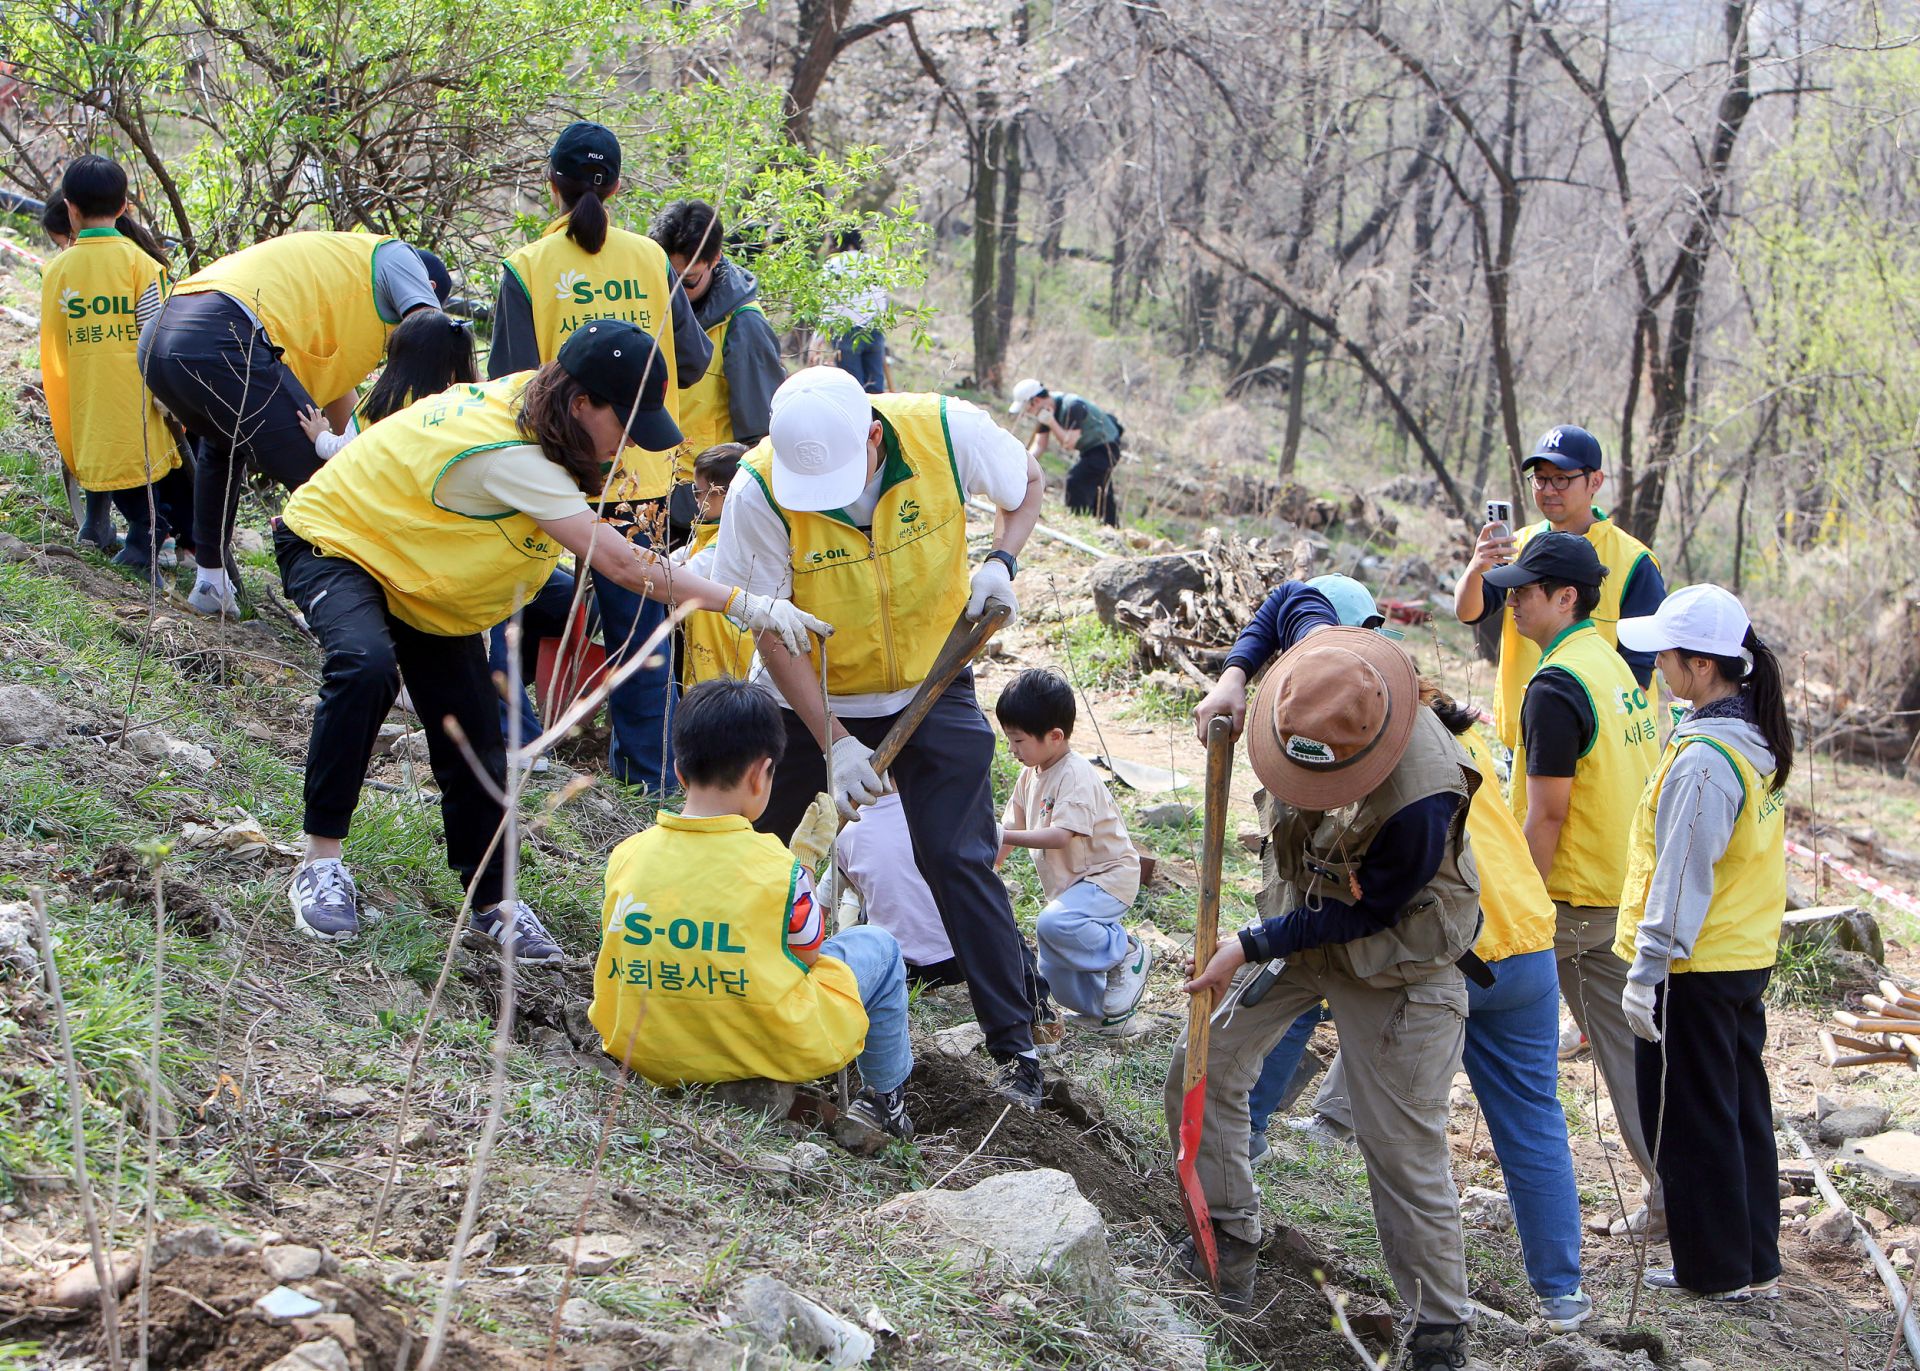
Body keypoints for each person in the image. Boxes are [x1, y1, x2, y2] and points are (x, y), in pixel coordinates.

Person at [273, 319, 827, 953]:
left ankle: (493, 902)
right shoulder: (514, 454)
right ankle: (320, 864)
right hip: (336, 541)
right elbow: (621, 564)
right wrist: (742, 603)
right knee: (365, 665)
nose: (626, 443)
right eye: (623, 421)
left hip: (419, 574)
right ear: (580, 402)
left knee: (478, 733)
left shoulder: (536, 402)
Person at [711, 365, 1048, 1108]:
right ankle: (724, 1002)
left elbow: (1026, 486)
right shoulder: (758, 487)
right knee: (752, 844)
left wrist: (1001, 560)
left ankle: (1017, 1044)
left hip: (932, 679)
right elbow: (770, 628)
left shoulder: (946, 431)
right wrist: (831, 738)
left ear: (873, 434)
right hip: (809, 691)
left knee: (955, 852)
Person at [1170, 628, 1480, 1370]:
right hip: (1305, 921)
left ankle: (1438, 1330)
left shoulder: (1422, 798)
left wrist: (1249, 942)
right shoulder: (1311, 678)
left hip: (1395, 954)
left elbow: (1370, 913)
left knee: (1399, 1148)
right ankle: (1230, 1236)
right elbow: (1279, 608)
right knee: (1204, 1058)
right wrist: (1235, 676)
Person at [487, 121, 715, 795]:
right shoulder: (651, 259)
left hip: (549, 472)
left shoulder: (527, 267)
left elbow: (509, 381)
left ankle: (521, 747)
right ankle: (652, 784)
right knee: (643, 639)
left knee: (499, 602)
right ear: (616, 186)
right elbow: (695, 360)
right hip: (640, 469)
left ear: (549, 183)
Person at [590, 676, 914, 1138]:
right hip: (758, 1045)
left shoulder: (627, 854)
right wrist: (802, 865)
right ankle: (885, 1102)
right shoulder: (779, 868)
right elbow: (808, 956)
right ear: (762, 774)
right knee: (877, 947)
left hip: (646, 1048)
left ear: (679, 771)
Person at [1614, 586, 1793, 1302]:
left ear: (1701, 664)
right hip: (1740, 956)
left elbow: (1681, 874)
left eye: (1667, 651)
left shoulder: (1705, 760)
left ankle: (1715, 1271)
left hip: (1693, 965)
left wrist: (1646, 968)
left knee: (1692, 1119)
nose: (1656, 662)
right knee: (1740, 1106)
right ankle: (1755, 1261)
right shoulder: (1749, 734)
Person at [1482, 531, 1663, 1238]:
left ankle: (1343, 1120)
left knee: (1449, 984)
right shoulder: (1610, 666)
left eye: (1525, 591)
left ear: (1565, 597)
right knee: (1633, 1052)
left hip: (1574, 903)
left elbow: (1547, 812)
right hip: (1616, 888)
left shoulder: (1556, 687)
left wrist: (1517, 903)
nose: (1513, 602)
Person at [140, 230, 450, 615]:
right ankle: (338, 611)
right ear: (429, 284)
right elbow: (431, 332)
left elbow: (344, 427)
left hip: (161, 336)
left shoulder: (337, 305)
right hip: (222, 332)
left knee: (224, 446)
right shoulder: (396, 257)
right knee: (326, 488)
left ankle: (210, 583)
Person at [1454, 424, 1666, 752]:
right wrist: (1477, 567)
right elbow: (1469, 612)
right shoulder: (1518, 545)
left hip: (1599, 744)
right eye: (1540, 478)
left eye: (1562, 478)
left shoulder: (1633, 560)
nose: (1549, 489)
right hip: (1525, 737)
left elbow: (1638, 671)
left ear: (1595, 481)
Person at [38, 155, 194, 579]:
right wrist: (169, 400)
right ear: (125, 206)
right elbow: (157, 338)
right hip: (136, 400)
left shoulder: (57, 271)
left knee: (104, 466)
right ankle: (144, 540)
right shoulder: (144, 265)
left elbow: (53, 343)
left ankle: (142, 541)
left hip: (87, 395)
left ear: (69, 208)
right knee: (140, 472)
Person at [994, 669, 1148, 1033]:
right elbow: (1011, 829)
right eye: (1008, 740)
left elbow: (1061, 835)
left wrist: (1001, 836)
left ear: (1055, 736)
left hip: (1108, 878)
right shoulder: (1031, 773)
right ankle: (1107, 1015)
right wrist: (994, 862)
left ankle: (1127, 951)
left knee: (1054, 923)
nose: (1012, 750)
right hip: (1074, 887)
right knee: (1054, 968)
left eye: (1018, 741)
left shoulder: (1075, 774)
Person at [650, 199, 785, 535]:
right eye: (668, 279)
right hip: (643, 495)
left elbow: (762, 440)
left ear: (716, 258)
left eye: (689, 280)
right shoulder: (647, 307)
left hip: (699, 512)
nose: (677, 293)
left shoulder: (744, 325)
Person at [298, 307, 479, 458]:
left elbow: (343, 450)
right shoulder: (459, 407)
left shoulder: (380, 401)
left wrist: (320, 435)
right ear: (456, 365)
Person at [834, 790, 960, 986]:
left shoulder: (843, 829)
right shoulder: (939, 805)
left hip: (901, 966)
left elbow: (858, 887)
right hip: (964, 957)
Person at [675, 443, 755, 687]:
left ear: (725, 492)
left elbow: (686, 572)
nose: (697, 499)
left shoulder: (732, 536)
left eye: (699, 492)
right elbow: (676, 559)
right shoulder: (709, 534)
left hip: (728, 661)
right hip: (711, 655)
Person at [1008, 378, 1125, 526]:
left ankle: (1075, 520)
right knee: (1100, 489)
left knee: (1076, 480)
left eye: (1027, 408)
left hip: (1106, 446)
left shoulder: (1072, 406)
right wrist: (1022, 465)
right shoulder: (1046, 413)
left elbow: (1069, 443)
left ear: (1036, 401)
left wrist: (1051, 422)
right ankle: (1111, 525)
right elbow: (1040, 445)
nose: (1028, 413)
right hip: (1090, 449)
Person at [820, 229, 888, 394]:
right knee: (876, 391)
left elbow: (828, 303)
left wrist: (820, 336)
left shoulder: (833, 264)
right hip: (874, 328)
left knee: (854, 390)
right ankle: (879, 418)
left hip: (846, 331)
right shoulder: (874, 262)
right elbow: (883, 299)